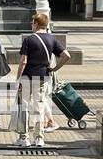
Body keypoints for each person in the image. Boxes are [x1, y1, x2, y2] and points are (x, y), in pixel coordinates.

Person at [17, 11, 70, 148]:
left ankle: (24, 138)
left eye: (32, 22)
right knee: (39, 107)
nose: (31, 25)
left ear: (36, 23)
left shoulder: (28, 40)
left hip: (27, 77)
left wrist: (18, 78)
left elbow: (23, 61)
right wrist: (55, 68)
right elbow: (66, 56)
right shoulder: (51, 39)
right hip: (43, 77)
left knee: (24, 107)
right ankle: (39, 138)